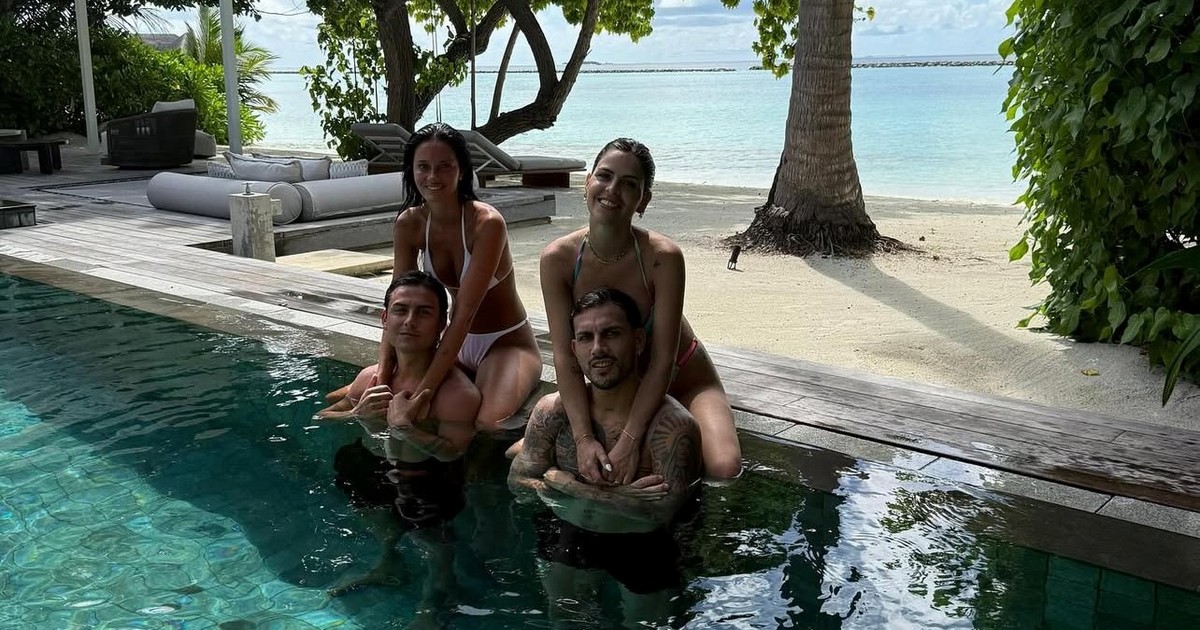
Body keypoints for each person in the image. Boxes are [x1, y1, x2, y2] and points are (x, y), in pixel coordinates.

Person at [539, 138, 742, 482]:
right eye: (604, 176)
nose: (612, 190)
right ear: (587, 182)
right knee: (533, 452)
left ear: (643, 200)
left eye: (629, 184)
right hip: (616, 389)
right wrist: (584, 439)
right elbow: (565, 357)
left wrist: (630, 441)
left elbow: (662, 362)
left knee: (723, 469)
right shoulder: (558, 259)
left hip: (682, 378)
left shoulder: (662, 257)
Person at [509, 288, 702, 626]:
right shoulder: (552, 413)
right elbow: (517, 484)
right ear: (574, 349)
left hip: (645, 547)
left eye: (611, 334)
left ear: (638, 341)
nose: (598, 348)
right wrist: (606, 494)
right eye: (586, 337)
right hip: (573, 531)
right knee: (564, 620)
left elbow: (660, 515)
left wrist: (567, 484)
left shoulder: (672, 427)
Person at [317, 271, 481, 613]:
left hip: (424, 475)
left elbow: (454, 454)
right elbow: (322, 417)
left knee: (431, 537)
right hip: (372, 463)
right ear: (384, 318)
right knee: (371, 508)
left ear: (441, 325)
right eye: (400, 310)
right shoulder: (369, 379)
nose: (409, 321)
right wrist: (357, 413)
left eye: (423, 312)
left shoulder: (456, 393)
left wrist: (407, 430)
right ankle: (387, 562)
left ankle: (434, 603)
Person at [377, 122, 542, 433]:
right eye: (423, 167)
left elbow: (464, 314)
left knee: (489, 423)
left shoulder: (486, 224)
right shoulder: (410, 224)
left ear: (462, 169)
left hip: (506, 342)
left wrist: (423, 394)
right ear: (411, 170)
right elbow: (395, 304)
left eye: (444, 167)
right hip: (452, 343)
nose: (433, 177)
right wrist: (383, 381)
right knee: (363, 391)